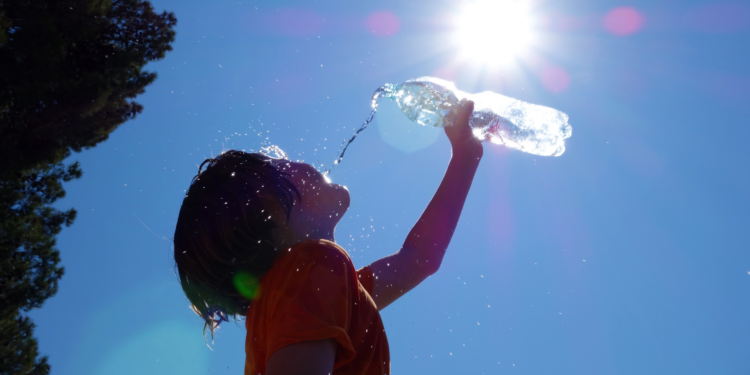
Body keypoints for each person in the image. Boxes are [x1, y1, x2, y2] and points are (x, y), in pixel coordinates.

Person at [173, 101, 482, 375]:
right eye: (281, 166)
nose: (297, 162)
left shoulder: (311, 288)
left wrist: (465, 156)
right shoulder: (312, 268)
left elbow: (419, 258)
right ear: (271, 207)